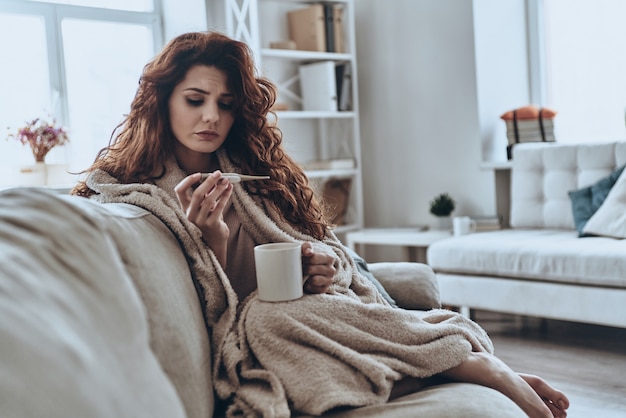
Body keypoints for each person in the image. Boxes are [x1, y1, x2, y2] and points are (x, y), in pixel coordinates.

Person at [72, 31, 569, 418]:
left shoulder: (255, 169)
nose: (211, 117)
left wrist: (325, 266)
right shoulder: (136, 192)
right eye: (195, 99)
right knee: (266, 317)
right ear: (163, 100)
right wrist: (212, 240)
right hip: (256, 333)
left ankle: (474, 366)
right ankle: (463, 366)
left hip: (314, 313)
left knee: (278, 311)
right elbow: (210, 310)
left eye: (225, 104)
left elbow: (327, 249)